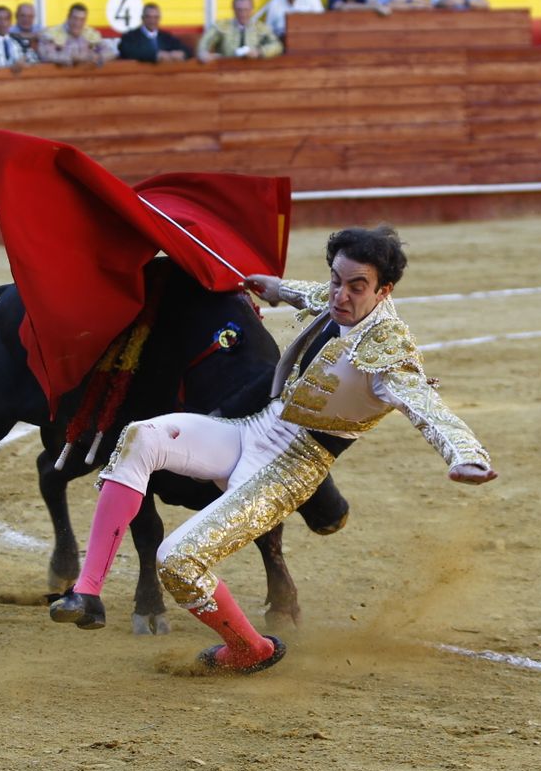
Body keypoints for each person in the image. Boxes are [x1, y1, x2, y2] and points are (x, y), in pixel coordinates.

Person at [49, 226, 495, 673]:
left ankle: (250, 649)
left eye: (356, 286)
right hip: (253, 428)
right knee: (140, 436)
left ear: (384, 291)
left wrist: (465, 455)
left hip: (289, 469)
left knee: (178, 562)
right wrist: (276, 288)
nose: (340, 294)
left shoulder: (390, 354)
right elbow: (313, 295)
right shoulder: (338, 299)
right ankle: (88, 591)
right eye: (336, 279)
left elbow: (428, 408)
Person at [197, 0, 283, 60]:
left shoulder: (260, 28)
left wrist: (259, 52)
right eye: (239, 10)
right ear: (233, 9)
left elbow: (277, 46)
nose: (243, 14)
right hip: (225, 72)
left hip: (253, 72)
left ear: (252, 10)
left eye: (246, 10)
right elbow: (205, 42)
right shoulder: (222, 26)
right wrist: (203, 53)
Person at [41, 2, 114, 65]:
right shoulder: (53, 33)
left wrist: (99, 56)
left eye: (82, 19)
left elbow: (111, 52)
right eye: (75, 18)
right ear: (68, 17)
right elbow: (46, 55)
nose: (77, 23)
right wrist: (71, 58)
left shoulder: (90, 33)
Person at [118, 2, 192, 62]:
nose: (152, 21)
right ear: (142, 18)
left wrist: (182, 53)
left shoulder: (166, 37)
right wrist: (155, 55)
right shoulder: (131, 36)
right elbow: (126, 51)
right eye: (148, 17)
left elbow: (188, 51)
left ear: (159, 19)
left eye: (155, 17)